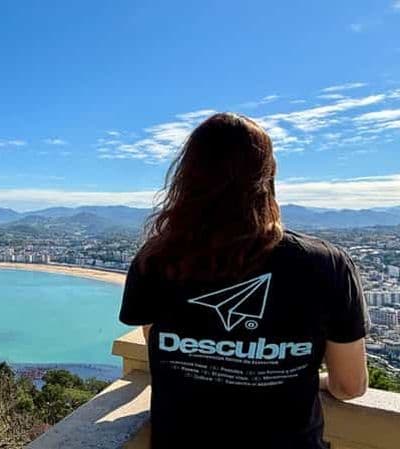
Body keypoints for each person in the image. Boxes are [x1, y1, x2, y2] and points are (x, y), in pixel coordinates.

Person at [119, 113, 368, 449]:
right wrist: (312, 380)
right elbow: (350, 385)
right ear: (268, 177)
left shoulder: (155, 260)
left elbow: (160, 352)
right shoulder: (326, 264)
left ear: (187, 176)